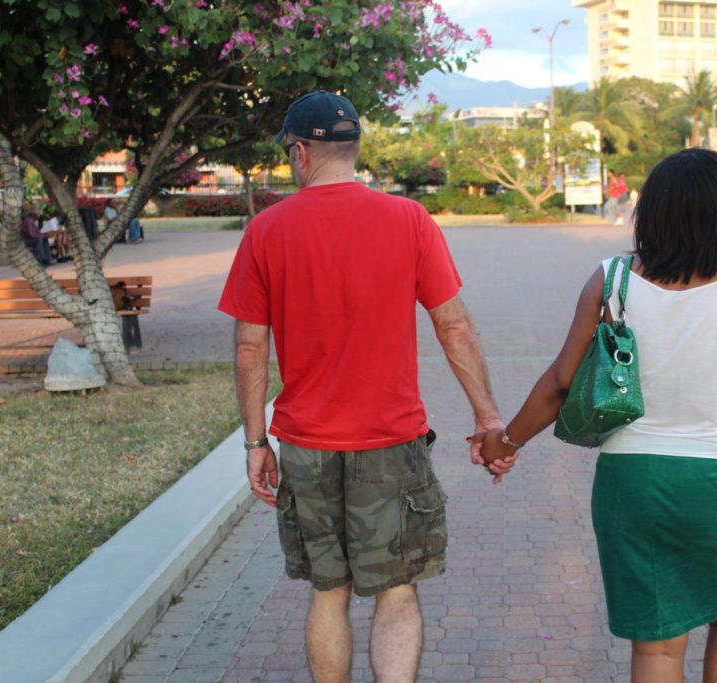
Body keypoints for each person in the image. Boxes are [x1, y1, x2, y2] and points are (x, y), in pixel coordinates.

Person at [473, 149, 717, 683]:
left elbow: (562, 382)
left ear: (652, 212)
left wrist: (504, 442)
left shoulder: (612, 282)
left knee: (656, 648)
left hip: (632, 482)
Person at [218, 90, 513, 683]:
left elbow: (252, 346)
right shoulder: (407, 219)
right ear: (354, 148)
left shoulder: (266, 231)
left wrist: (256, 443)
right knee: (396, 592)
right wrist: (488, 420)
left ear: (300, 152)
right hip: (389, 442)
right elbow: (452, 323)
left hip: (307, 445)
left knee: (329, 593)